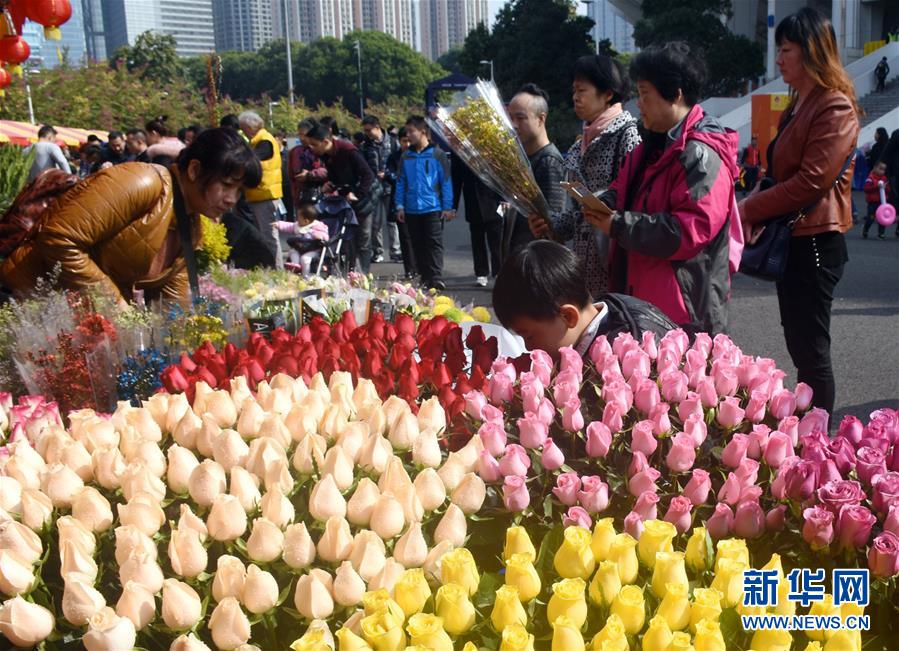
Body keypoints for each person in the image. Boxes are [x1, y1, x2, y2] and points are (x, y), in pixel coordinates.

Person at [738, 8, 860, 414]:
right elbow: (780, 173)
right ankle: (810, 434)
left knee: (811, 350)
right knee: (800, 342)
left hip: (817, 242)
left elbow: (812, 181)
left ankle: (818, 442)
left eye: (785, 49)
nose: (778, 59)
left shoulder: (833, 106)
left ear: (810, 51)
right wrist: (755, 203)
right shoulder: (801, 103)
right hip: (797, 239)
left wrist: (749, 209)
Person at [582, 42, 740, 337]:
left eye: (644, 94)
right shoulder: (651, 145)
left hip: (685, 308)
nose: (637, 103)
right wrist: (600, 201)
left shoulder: (700, 153)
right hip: (644, 296)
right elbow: (623, 189)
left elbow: (688, 231)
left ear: (675, 95)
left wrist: (618, 224)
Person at [0, 128, 261, 305]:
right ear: (194, 170)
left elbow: (172, 303)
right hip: (26, 300)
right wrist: (114, 304)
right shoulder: (142, 182)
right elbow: (59, 238)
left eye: (238, 191)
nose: (231, 199)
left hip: (72, 320)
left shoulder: (190, 226)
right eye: (226, 186)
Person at [529, 55, 641, 297]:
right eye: (574, 90)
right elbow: (578, 213)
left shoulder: (627, 135)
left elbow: (634, 206)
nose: (575, 97)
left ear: (608, 94)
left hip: (615, 265)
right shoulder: (583, 140)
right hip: (585, 266)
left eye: (582, 90)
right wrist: (548, 222)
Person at [492, 240, 675, 361]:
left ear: (568, 316)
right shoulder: (603, 316)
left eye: (529, 336)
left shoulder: (629, 351)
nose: (527, 347)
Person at [305, 123, 375, 273]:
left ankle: (364, 275)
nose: (311, 148)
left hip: (361, 200)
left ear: (325, 142)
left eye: (314, 144)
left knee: (363, 240)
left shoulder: (348, 150)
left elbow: (368, 175)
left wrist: (356, 193)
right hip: (344, 202)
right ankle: (349, 273)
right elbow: (335, 176)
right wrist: (331, 184)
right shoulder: (326, 155)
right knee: (346, 240)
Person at [505, 83, 566, 257]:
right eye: (510, 117)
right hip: (518, 257)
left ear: (541, 119)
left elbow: (552, 225)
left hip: (536, 262)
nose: (514, 124)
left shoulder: (549, 161)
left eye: (521, 118)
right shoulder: (523, 157)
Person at [395, 116, 454, 290]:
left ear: (423, 132)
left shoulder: (437, 154)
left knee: (434, 243)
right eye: (407, 132)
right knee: (417, 244)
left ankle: (435, 277)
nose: (408, 135)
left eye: (411, 131)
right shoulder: (406, 156)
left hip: (432, 206)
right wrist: (400, 205)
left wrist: (447, 206)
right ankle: (424, 277)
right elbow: (400, 182)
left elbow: (446, 181)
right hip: (412, 207)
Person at [239, 110, 286, 268]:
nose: (243, 131)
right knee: (265, 235)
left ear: (251, 127)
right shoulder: (258, 140)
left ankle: (277, 269)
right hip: (260, 194)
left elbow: (251, 160)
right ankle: (270, 266)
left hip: (265, 194)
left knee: (269, 236)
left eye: (244, 128)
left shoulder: (264, 141)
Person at [452, 155, 501, 286]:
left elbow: (501, 174)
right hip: (472, 198)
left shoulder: (487, 145)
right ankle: (481, 273)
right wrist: (453, 206)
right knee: (477, 239)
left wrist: (505, 199)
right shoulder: (459, 151)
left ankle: (499, 271)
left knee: (496, 240)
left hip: (493, 199)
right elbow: (456, 179)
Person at [360, 115, 401, 264]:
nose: (367, 133)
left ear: (377, 127)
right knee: (375, 222)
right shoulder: (365, 146)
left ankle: (396, 251)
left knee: (392, 221)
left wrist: (390, 174)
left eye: (369, 130)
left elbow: (398, 162)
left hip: (390, 186)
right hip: (373, 187)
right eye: (365, 130)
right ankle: (377, 251)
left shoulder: (393, 142)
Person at [385, 127, 417, 279]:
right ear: (399, 141)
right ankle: (409, 269)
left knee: (419, 236)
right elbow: (389, 174)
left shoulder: (420, 155)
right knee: (405, 237)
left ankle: (420, 266)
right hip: (400, 202)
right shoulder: (394, 157)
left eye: (409, 140)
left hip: (418, 203)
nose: (407, 144)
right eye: (404, 141)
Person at [275, 203, 330, 275]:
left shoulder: (317, 226)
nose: (297, 219)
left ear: (306, 221)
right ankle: (295, 265)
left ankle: (305, 275)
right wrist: (278, 224)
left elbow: (325, 235)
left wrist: (320, 236)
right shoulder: (297, 225)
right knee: (292, 252)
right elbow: (288, 226)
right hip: (299, 248)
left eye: (299, 217)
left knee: (304, 259)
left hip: (312, 250)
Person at [288, 118, 327, 208]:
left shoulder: (321, 149)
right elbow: (291, 176)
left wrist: (310, 175)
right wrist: (295, 195)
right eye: (299, 135)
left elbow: (329, 171)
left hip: (321, 196)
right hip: (302, 198)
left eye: (304, 135)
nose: (301, 138)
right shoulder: (294, 152)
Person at [863, 160, 890, 239]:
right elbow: (866, 189)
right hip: (872, 203)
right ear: (875, 168)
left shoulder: (884, 179)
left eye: (884, 169)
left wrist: (886, 188)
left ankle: (881, 233)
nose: (882, 171)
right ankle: (866, 229)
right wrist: (876, 187)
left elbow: (889, 190)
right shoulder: (870, 178)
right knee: (871, 218)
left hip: (882, 203)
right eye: (880, 169)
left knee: (882, 219)